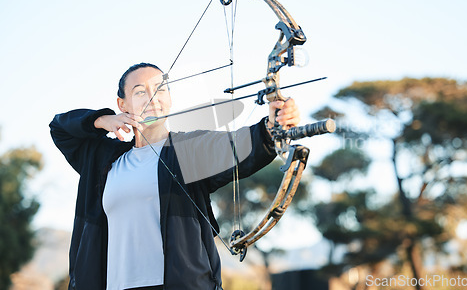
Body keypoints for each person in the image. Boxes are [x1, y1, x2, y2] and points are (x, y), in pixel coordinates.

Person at [50, 63, 301, 290]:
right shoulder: (103, 160)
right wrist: (101, 119)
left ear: (169, 98)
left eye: (160, 90)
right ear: (122, 105)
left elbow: (242, 147)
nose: (152, 99)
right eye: (140, 92)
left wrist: (273, 125)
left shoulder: (188, 151)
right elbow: (60, 129)